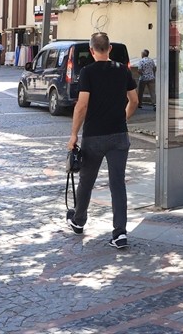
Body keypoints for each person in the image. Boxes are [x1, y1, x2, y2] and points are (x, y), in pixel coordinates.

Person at [66, 32, 139, 249]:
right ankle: (120, 233)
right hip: (119, 135)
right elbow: (133, 101)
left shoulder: (88, 72)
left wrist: (73, 135)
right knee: (118, 184)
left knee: (86, 181)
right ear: (109, 49)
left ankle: (79, 222)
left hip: (94, 135)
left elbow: (82, 105)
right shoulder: (122, 70)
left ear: (91, 50)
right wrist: (122, 117)